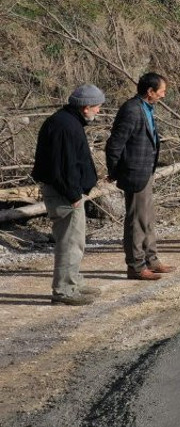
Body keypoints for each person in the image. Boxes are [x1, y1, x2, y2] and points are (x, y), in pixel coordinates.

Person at [32, 85, 104, 305]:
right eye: (97, 107)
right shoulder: (65, 126)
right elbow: (63, 167)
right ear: (85, 107)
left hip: (67, 192)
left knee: (75, 240)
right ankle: (64, 291)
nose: (99, 111)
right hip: (64, 194)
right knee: (70, 242)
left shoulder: (67, 121)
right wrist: (73, 195)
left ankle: (74, 282)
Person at [105, 72, 175, 281]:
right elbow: (115, 144)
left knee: (147, 219)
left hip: (145, 172)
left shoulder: (146, 108)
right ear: (150, 91)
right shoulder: (132, 110)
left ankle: (151, 260)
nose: (163, 95)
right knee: (136, 222)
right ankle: (136, 266)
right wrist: (115, 172)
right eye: (161, 91)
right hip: (134, 174)